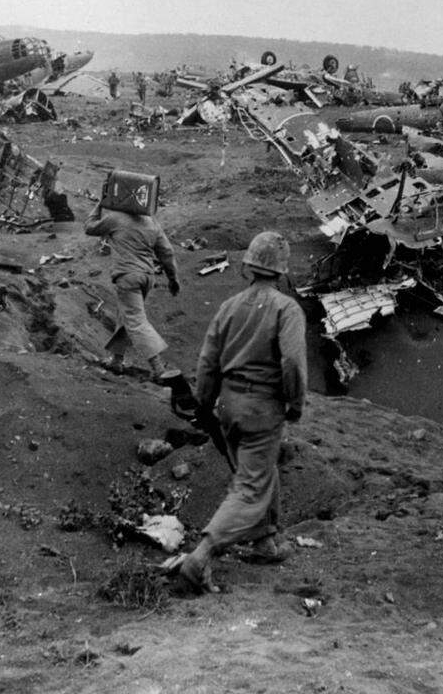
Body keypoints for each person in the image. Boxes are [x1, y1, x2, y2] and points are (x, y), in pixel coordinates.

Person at [174, 231, 308, 592]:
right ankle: (201, 555)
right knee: (251, 486)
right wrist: (295, 403)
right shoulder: (286, 309)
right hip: (262, 409)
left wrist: (204, 403)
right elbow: (293, 362)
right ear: (280, 270)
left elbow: (207, 361)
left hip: (228, 407)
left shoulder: (229, 306)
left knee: (259, 470)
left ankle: (265, 541)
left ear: (248, 267)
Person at [84, 196, 180, 380]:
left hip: (128, 277)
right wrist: (173, 278)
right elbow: (167, 252)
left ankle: (159, 369)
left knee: (135, 320)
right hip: (147, 278)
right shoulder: (151, 222)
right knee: (125, 316)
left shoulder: (116, 218)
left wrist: (99, 205)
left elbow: (89, 227)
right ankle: (116, 361)